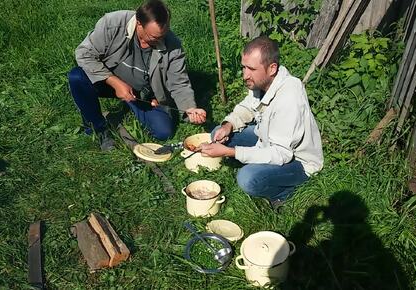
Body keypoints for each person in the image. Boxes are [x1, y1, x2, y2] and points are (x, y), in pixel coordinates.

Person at [199, 36, 324, 208]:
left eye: (251, 69)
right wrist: (228, 125)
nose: (245, 75)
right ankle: (251, 160)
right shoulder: (263, 82)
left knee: (247, 178)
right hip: (266, 141)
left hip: (297, 161)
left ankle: (285, 192)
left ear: (272, 68)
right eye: (244, 67)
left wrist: (230, 152)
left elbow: (281, 153)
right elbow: (247, 107)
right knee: (217, 133)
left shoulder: (289, 98)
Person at [68, 0, 206, 150]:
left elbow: (179, 82)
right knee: (77, 77)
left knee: (163, 132)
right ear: (139, 23)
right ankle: (98, 129)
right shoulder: (113, 23)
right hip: (108, 82)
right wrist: (114, 82)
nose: (159, 40)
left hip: (142, 95)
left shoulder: (172, 44)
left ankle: (130, 104)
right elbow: (83, 54)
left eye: (163, 35)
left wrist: (190, 108)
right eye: (153, 37)